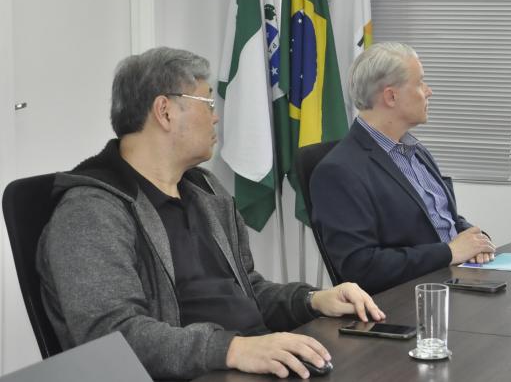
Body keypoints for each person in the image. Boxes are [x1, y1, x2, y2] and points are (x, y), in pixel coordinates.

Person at [37, 47, 385, 380]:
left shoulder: (204, 190)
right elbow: (111, 335)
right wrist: (231, 350)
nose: (216, 115)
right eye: (207, 102)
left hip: (244, 362)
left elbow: (247, 292)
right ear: (165, 111)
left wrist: (312, 300)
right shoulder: (90, 212)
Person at [310, 42, 495, 294]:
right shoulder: (338, 172)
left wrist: (474, 240)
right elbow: (360, 267)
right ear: (391, 96)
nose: (429, 91)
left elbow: (440, 217)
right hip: (407, 300)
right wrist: (449, 252)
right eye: (420, 83)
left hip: (453, 281)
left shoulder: (415, 150)